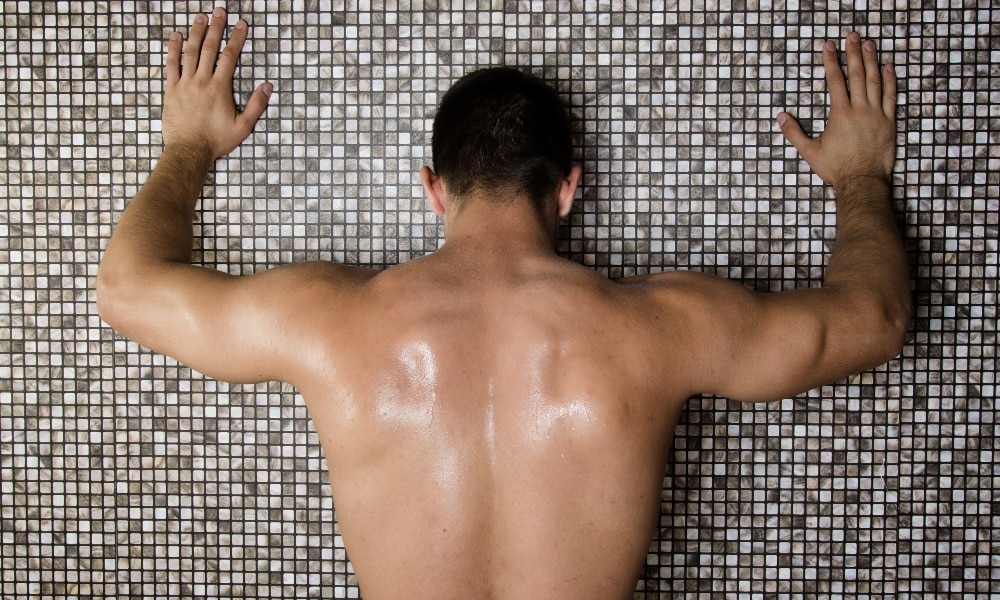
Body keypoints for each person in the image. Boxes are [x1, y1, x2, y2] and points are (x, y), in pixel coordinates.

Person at [96, 7, 910, 599]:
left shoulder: (326, 323)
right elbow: (874, 319)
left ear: (432, 191)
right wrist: (861, 175)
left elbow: (127, 289)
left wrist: (189, 149)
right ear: (567, 190)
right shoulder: (661, 328)